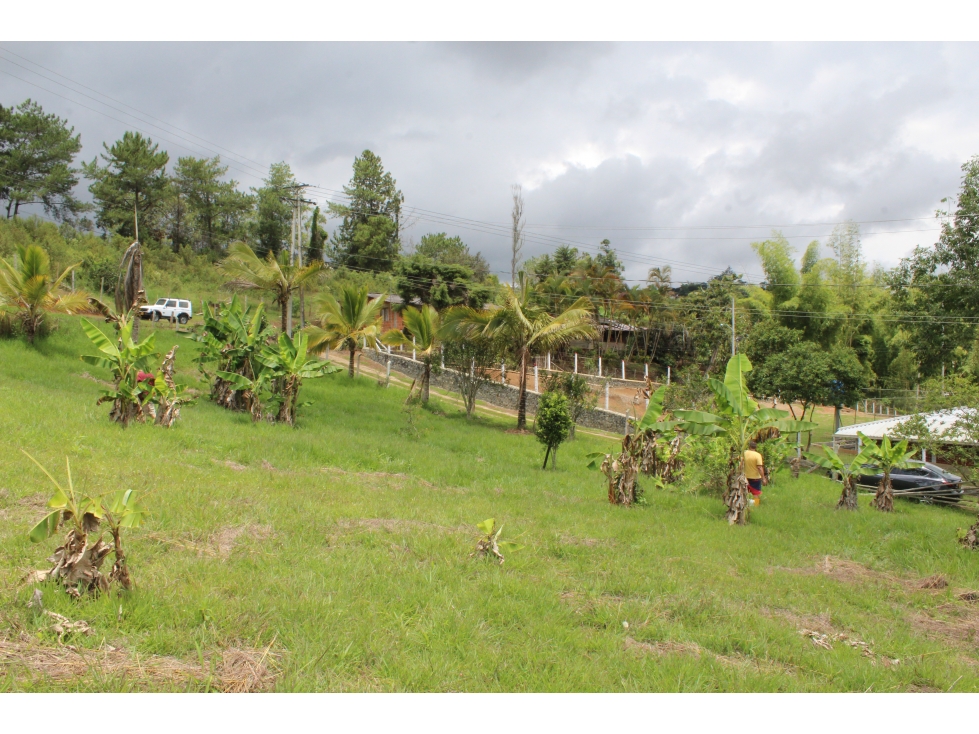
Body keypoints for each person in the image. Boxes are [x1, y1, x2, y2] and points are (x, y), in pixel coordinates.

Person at [744, 440, 767, 506]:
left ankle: (744, 505)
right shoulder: (757, 455)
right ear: (756, 447)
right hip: (755, 478)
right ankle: (756, 505)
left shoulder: (744, 453)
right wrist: (763, 478)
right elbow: (759, 467)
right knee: (756, 494)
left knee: (744, 492)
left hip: (745, 477)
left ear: (749, 446)